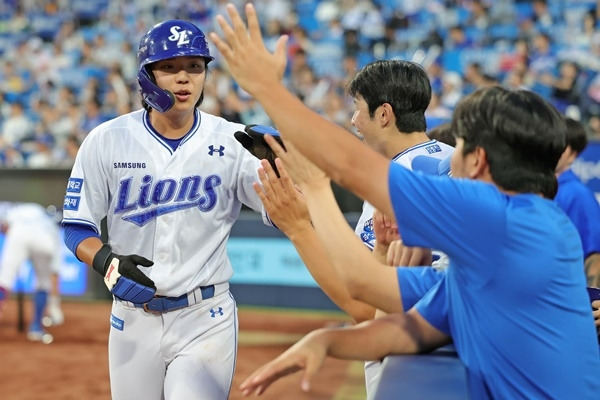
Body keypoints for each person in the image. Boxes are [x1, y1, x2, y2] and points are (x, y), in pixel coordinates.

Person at [209, 4, 600, 398]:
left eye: (460, 145)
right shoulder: (499, 246)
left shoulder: (498, 217)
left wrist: (268, 90)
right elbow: (390, 303)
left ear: (479, 160)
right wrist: (327, 342)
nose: (450, 153)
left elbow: (348, 168)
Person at [61, 19, 271, 400]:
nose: (184, 78)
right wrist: (108, 263)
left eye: (195, 66)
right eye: (170, 67)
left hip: (204, 316)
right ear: (147, 76)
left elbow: (286, 213)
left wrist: (284, 171)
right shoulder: (107, 140)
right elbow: (76, 228)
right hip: (131, 317)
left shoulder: (233, 140)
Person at [252, 59, 454, 398]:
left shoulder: (391, 180)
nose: (354, 121)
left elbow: (364, 305)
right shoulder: (452, 158)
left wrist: (299, 226)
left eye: (358, 109)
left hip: (409, 367)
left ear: (384, 114)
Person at [0, 202, 64, 341]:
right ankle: (35, 328)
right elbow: (54, 273)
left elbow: (4, 225)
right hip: (44, 241)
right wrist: (54, 305)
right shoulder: (54, 230)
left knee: (3, 281)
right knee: (43, 284)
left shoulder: (31, 207)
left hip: (18, 233)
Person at [555, 117, 600, 287]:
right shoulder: (539, 190)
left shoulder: (578, 194)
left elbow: (594, 258)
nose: (553, 148)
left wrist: (593, 303)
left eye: (561, 143)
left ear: (573, 154)